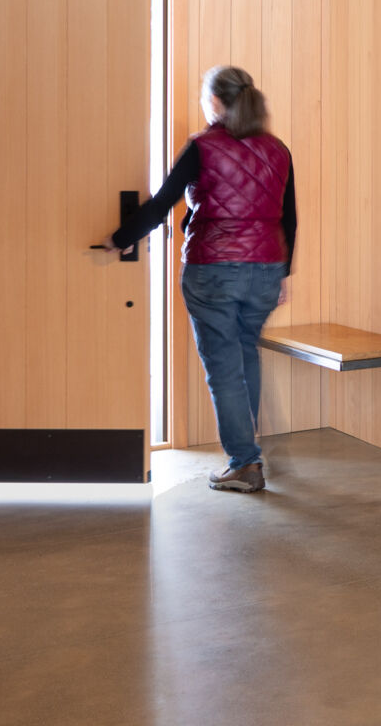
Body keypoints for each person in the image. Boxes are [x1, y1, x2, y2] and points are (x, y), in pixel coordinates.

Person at [103, 66, 296, 493]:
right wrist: (283, 272)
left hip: (213, 269)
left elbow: (163, 203)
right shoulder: (278, 149)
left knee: (225, 368)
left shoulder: (203, 147)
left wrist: (120, 238)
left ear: (215, 102)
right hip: (265, 269)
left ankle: (245, 462)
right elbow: (289, 217)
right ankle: (249, 450)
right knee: (246, 355)